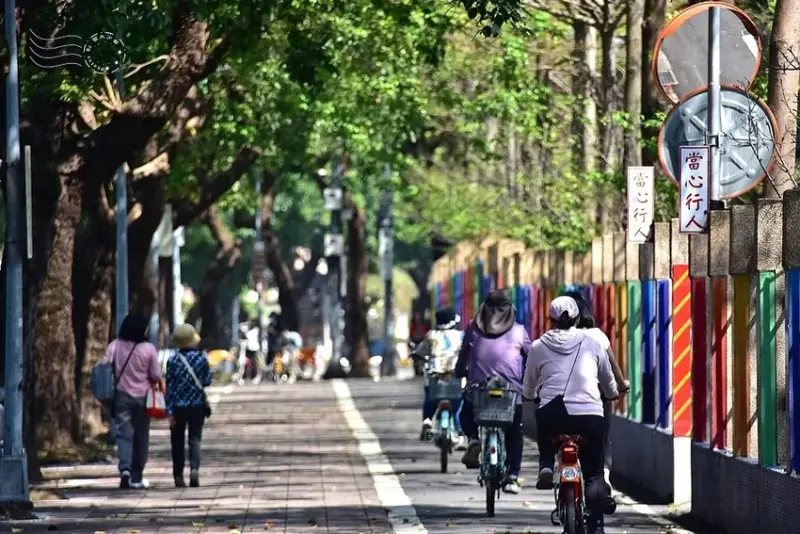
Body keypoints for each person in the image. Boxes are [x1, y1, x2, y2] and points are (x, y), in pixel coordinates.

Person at [524, 296, 619, 534]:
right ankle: (596, 527)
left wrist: (531, 395)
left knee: (544, 428)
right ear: (577, 317)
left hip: (553, 415)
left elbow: (528, 386)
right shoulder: (592, 344)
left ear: (551, 320)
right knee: (594, 473)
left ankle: (546, 464)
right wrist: (612, 393)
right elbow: (608, 382)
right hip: (590, 416)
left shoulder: (537, 346)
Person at [455, 290, 532, 494]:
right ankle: (512, 476)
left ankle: (473, 438)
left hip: (479, 391)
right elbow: (532, 357)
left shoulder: (473, 328)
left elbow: (463, 356)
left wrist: (459, 371)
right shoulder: (519, 331)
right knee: (515, 432)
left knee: (465, 413)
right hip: (511, 393)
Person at [103, 313, 162, 489]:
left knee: (123, 435)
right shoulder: (148, 349)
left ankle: (125, 469)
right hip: (143, 399)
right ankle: (137, 476)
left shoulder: (115, 346)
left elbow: (105, 366)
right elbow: (156, 375)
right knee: (141, 437)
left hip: (121, 396)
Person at [166, 324, 213, 488]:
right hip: (196, 406)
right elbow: (207, 381)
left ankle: (178, 475)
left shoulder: (172, 360)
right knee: (195, 439)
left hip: (178, 407)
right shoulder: (201, 358)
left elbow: (169, 387)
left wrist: (169, 411)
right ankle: (194, 470)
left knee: (177, 441)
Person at [415, 307, 466, 449]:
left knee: (430, 399)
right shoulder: (461, 336)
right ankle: (460, 432)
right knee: (458, 406)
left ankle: (427, 420)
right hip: (455, 376)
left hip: (435, 376)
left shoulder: (431, 335)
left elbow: (420, 352)